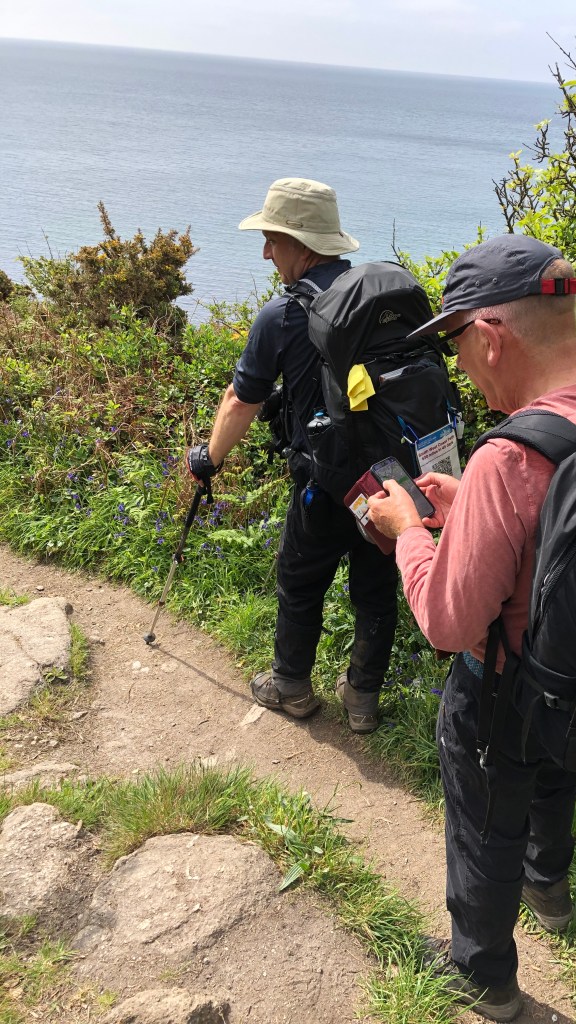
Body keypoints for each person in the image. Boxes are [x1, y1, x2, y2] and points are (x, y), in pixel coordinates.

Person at [366, 234, 576, 1022]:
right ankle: (551, 889)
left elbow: (449, 623)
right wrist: (471, 510)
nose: (460, 367)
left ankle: (483, 977)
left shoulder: (506, 458)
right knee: (557, 775)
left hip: (506, 690)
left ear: (490, 334)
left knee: (486, 825)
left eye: (455, 343)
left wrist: (407, 531)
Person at [187, 178, 399, 733]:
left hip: (325, 482)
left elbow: (241, 400)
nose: (265, 253)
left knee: (300, 581)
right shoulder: (378, 297)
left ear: (301, 244)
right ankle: (362, 698)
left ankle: (291, 686)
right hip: (390, 479)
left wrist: (208, 457)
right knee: (376, 589)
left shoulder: (282, 314)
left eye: (272, 240)